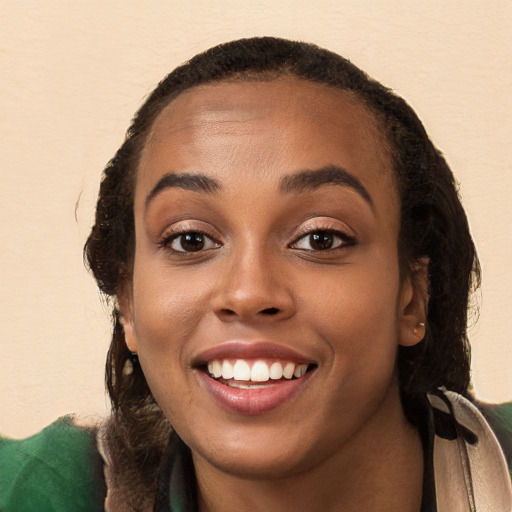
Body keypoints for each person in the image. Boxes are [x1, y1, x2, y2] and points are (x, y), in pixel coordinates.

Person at [1, 36, 511, 512]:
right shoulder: (39, 489)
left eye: (321, 238)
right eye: (191, 240)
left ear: (412, 297)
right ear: (128, 301)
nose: (248, 293)